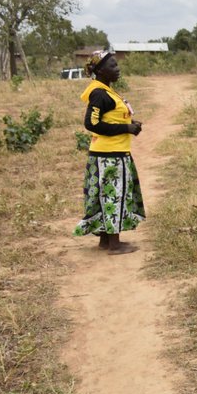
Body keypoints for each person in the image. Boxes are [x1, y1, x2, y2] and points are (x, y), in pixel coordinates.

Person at [73, 50, 145, 254]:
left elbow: (109, 119)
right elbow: (92, 124)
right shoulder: (99, 93)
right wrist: (126, 129)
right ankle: (114, 244)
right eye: (112, 66)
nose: (117, 68)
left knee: (105, 196)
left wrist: (129, 124)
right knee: (114, 196)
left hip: (109, 154)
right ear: (101, 71)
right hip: (110, 156)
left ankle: (105, 240)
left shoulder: (105, 91)